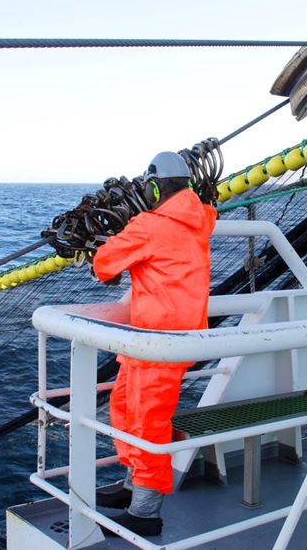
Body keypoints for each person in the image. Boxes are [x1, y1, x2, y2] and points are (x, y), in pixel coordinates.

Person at [90, 151, 217, 536]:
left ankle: (145, 512)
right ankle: (133, 485)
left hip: (157, 343)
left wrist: (120, 233)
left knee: (147, 424)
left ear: (155, 186)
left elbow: (103, 265)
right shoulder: (202, 219)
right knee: (124, 405)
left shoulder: (149, 225)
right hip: (172, 339)